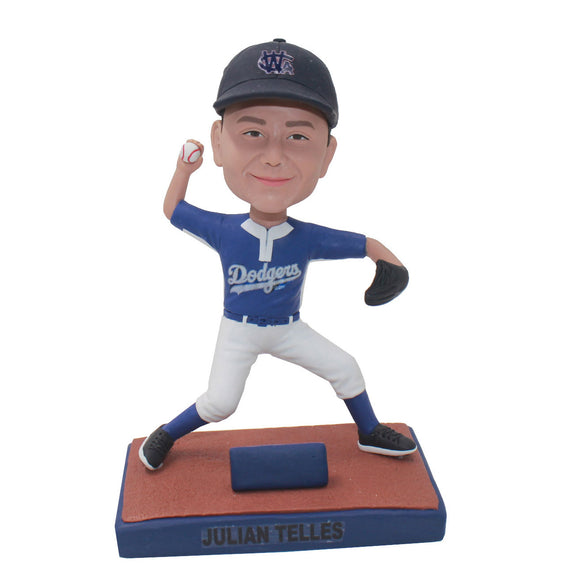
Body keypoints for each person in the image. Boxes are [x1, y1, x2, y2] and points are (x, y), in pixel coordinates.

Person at [139, 39, 416, 471]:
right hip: (239, 329)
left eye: (297, 137)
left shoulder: (304, 236)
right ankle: (166, 433)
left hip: (288, 329)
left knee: (345, 368)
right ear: (219, 143)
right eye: (253, 133)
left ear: (327, 155)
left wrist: (389, 265)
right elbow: (173, 210)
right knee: (220, 402)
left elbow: (362, 243)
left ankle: (369, 431)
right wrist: (182, 170)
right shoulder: (226, 230)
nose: (273, 157)